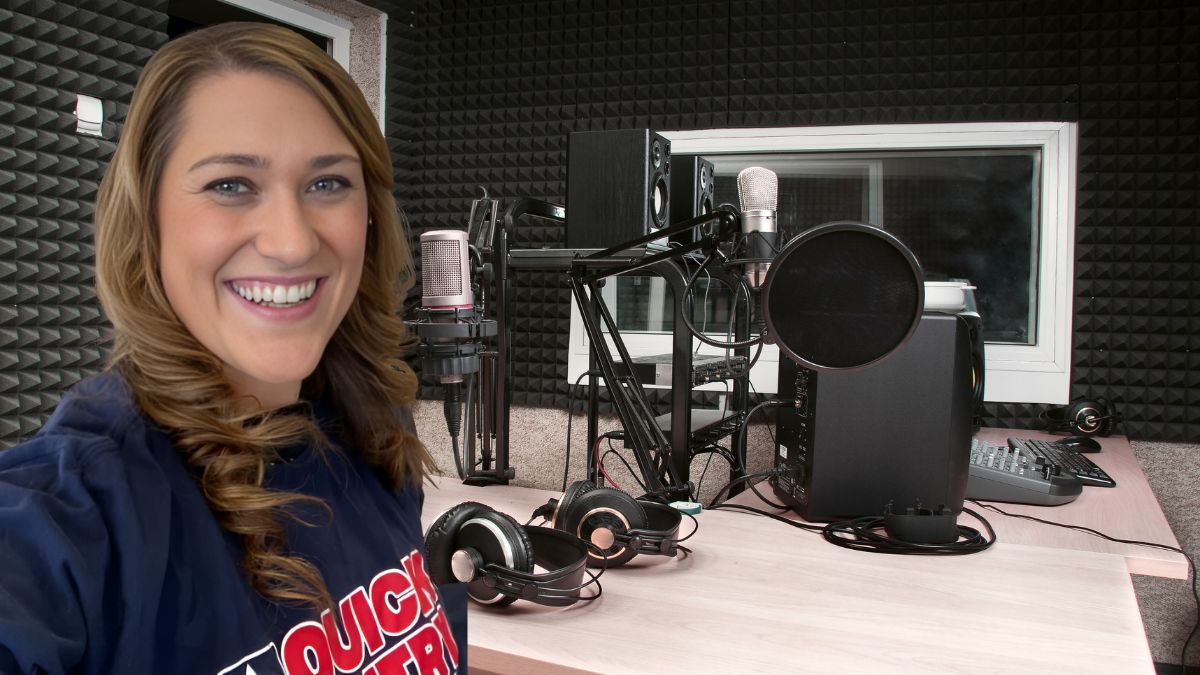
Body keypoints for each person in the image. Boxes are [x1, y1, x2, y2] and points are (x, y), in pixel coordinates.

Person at [0, 22, 464, 675]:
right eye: (230, 184)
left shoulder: (374, 429)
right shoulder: (80, 507)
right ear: (148, 218)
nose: (291, 242)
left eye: (327, 183)